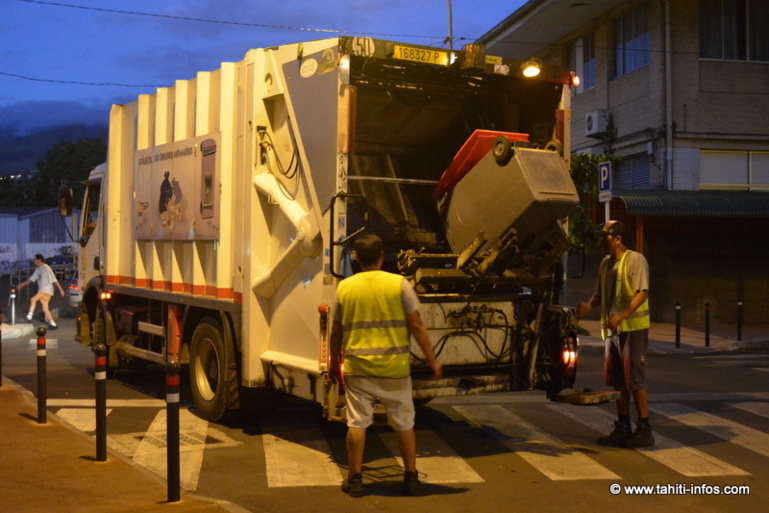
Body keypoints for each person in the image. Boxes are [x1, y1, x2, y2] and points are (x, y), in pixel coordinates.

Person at [329, 234, 443, 497]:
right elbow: (416, 325)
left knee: (357, 423)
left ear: (356, 259)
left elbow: (336, 332)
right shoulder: (399, 284)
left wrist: (334, 364)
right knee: (404, 422)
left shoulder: (345, 288)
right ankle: (411, 479)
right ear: (382, 256)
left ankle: (355, 480)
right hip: (394, 369)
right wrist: (432, 359)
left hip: (359, 368)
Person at [577, 221, 654, 448]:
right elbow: (599, 295)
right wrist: (588, 307)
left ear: (617, 238)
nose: (602, 241)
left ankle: (644, 429)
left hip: (633, 330)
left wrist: (622, 314)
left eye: (605, 237)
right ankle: (623, 427)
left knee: (635, 382)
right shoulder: (604, 264)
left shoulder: (635, 260)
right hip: (614, 332)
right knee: (619, 383)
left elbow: (642, 293)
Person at [17, 254, 66, 330]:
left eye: (35, 259)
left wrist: (61, 289)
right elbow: (31, 279)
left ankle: (29, 317)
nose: (34, 261)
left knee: (33, 299)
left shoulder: (46, 268)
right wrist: (22, 284)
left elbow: (54, 279)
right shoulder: (38, 269)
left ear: (39, 260)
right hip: (43, 290)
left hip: (46, 289)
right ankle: (53, 324)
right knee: (45, 309)